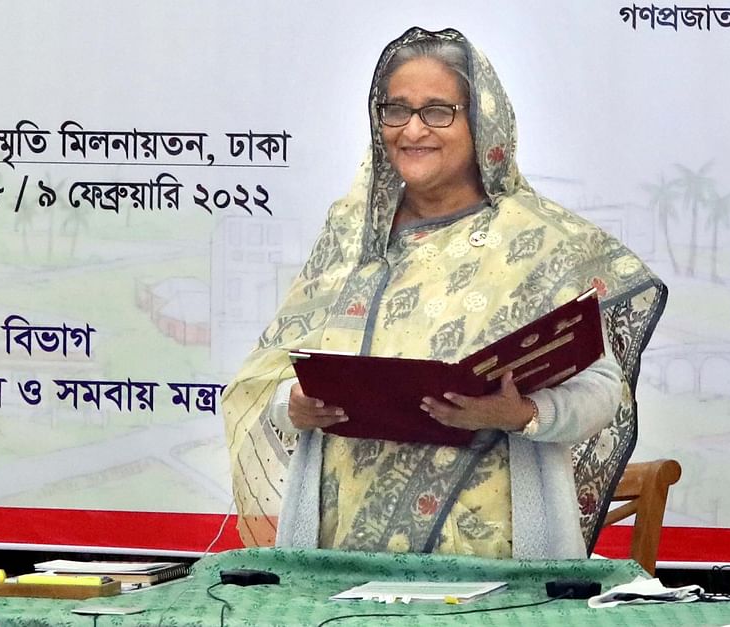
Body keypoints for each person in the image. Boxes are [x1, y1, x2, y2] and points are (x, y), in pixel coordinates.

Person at [222, 27, 666, 559]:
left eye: (438, 111)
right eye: (396, 110)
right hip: (339, 551)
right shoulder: (352, 231)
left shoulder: (539, 241)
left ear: (481, 122)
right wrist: (291, 406)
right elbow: (273, 377)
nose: (412, 130)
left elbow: (601, 393)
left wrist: (519, 412)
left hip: (494, 556)